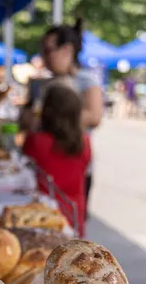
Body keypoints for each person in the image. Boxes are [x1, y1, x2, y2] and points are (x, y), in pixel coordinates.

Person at [21, 19, 103, 216]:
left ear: (67, 50)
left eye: (49, 50)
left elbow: (94, 116)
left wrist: (56, 114)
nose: (45, 57)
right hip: (44, 161)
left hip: (73, 158)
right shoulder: (42, 82)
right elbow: (26, 120)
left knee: (72, 214)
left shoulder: (86, 80)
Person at [23, 83, 91, 237]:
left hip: (46, 213)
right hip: (75, 210)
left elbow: (23, 164)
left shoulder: (36, 140)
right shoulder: (84, 141)